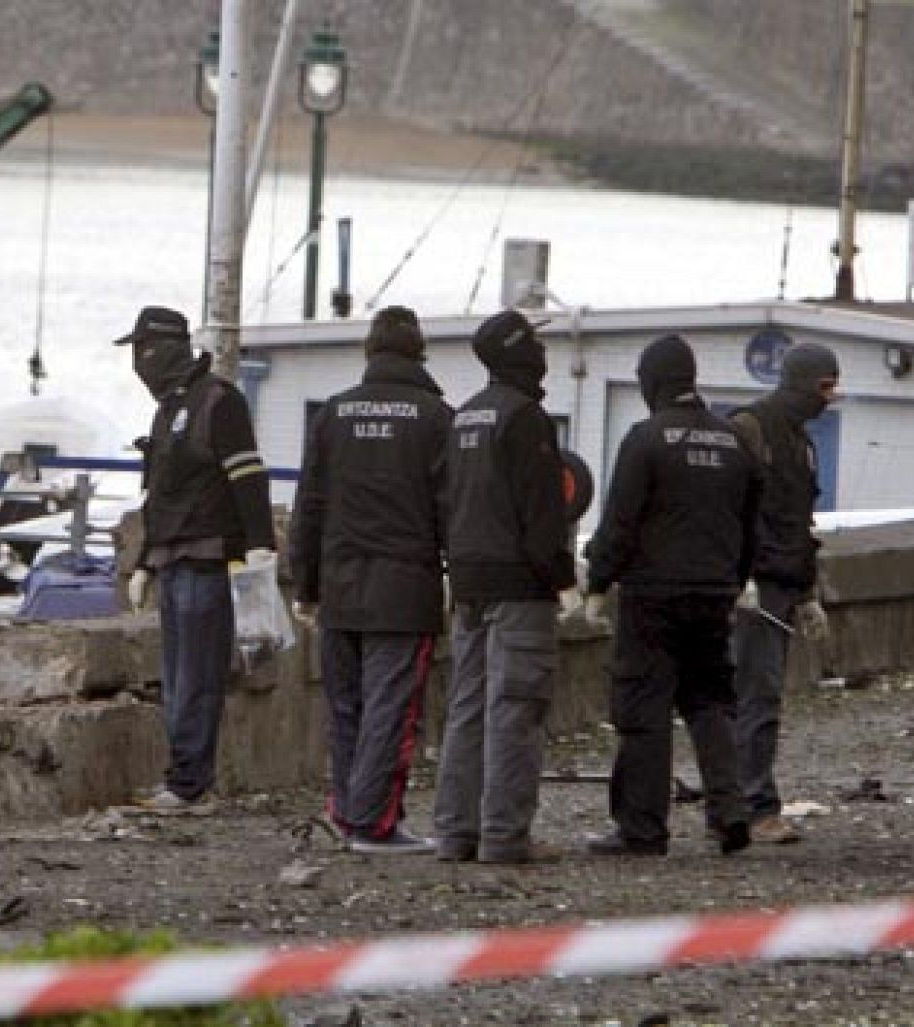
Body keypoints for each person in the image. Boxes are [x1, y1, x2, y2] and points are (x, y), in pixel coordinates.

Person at [581, 334, 761, 857]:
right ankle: (730, 813)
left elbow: (620, 523)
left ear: (651, 382)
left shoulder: (646, 438)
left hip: (651, 597)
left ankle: (643, 828)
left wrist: (597, 582)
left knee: (645, 710)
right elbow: (751, 529)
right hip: (714, 593)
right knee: (710, 703)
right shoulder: (734, 442)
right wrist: (733, 581)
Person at [289, 306, 454, 854]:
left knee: (346, 707)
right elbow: (450, 506)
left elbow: (309, 504)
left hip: (340, 582)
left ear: (369, 351)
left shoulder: (334, 415)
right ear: (418, 353)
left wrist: (306, 584)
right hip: (404, 587)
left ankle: (346, 810)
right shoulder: (436, 418)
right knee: (393, 706)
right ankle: (374, 823)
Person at [115, 305, 276, 811]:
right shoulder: (170, 408)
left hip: (209, 558)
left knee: (198, 678)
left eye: (145, 349)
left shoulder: (217, 402)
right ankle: (182, 776)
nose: (139, 361)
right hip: (173, 560)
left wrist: (259, 547)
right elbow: (158, 495)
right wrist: (144, 561)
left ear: (166, 347)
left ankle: (189, 783)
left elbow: (248, 478)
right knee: (178, 677)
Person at [434, 308, 577, 865]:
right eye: (536, 344)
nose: (543, 353)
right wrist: (562, 579)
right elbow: (541, 514)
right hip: (519, 585)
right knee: (516, 708)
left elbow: (448, 502)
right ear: (522, 352)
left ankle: (455, 832)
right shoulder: (527, 420)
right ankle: (504, 835)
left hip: (468, 580)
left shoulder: (465, 417)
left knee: (466, 708)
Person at [729, 342, 839, 844]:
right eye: (824, 387)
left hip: (782, 582)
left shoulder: (801, 442)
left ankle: (737, 801)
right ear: (803, 384)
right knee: (757, 694)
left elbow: (800, 523)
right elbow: (730, 511)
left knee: (756, 695)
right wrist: (741, 578)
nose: (830, 398)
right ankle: (754, 806)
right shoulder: (751, 431)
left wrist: (808, 589)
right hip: (755, 586)